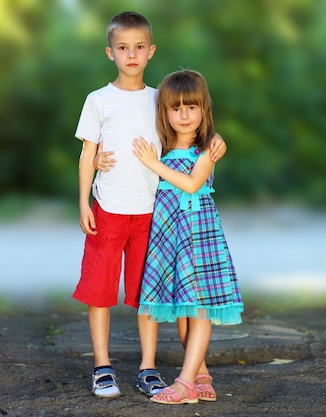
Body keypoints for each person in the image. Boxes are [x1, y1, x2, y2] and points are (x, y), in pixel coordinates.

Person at [72, 12, 228, 399]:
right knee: (100, 289)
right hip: (108, 207)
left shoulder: (160, 99)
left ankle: (148, 368)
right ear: (110, 52)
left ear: (151, 51)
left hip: (153, 213)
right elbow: (86, 154)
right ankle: (102, 366)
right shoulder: (98, 100)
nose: (131, 55)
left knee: (150, 294)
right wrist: (84, 198)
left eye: (139, 47)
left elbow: (190, 126)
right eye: (123, 48)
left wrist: (216, 139)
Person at [132, 69, 244, 405]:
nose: (184, 115)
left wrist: (153, 164)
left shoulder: (207, 147)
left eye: (192, 108)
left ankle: (184, 384)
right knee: (183, 312)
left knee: (199, 310)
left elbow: (193, 184)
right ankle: (200, 373)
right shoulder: (161, 147)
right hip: (170, 236)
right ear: (164, 113)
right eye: (176, 108)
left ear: (203, 110)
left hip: (197, 235)